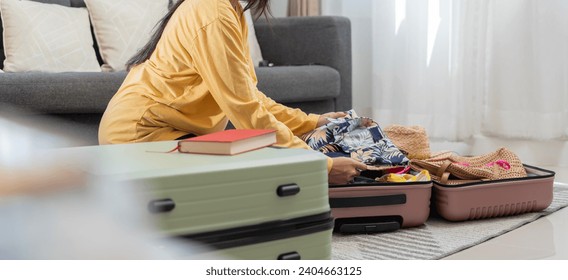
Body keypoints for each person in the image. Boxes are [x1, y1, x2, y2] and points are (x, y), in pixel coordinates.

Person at [98, 0, 366, 184]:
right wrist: (320, 166)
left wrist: (312, 121)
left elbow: (249, 96)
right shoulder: (213, 12)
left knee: (275, 156)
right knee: (266, 165)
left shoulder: (230, 8)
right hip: (140, 136)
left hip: (172, 132)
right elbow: (245, 110)